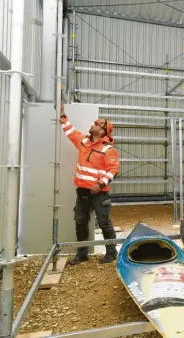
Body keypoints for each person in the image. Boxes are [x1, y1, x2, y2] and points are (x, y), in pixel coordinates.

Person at [60, 104, 120, 265]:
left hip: (99, 193)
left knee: (104, 223)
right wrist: (62, 115)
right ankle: (82, 253)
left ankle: (111, 252)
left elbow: (113, 170)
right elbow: (70, 132)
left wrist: (100, 185)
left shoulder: (108, 149)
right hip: (83, 192)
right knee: (80, 221)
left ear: (101, 131)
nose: (92, 125)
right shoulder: (83, 142)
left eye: (96, 124)